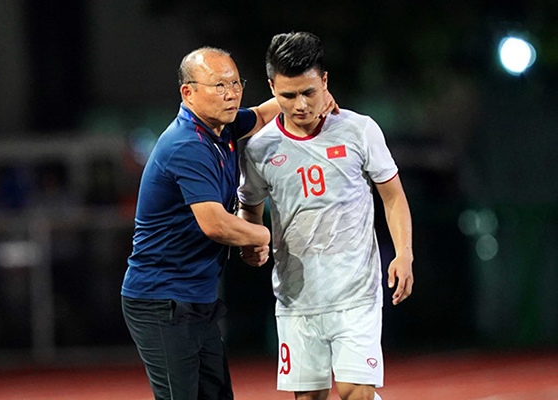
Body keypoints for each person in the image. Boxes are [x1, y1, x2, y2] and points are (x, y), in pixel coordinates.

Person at [121, 46, 337, 400]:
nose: (232, 93)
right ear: (188, 92)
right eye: (219, 85)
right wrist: (264, 235)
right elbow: (215, 224)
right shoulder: (186, 143)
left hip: (196, 297)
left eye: (236, 83)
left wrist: (314, 96)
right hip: (162, 300)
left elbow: (266, 112)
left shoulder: (220, 127)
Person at [237, 32, 414, 400]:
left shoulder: (359, 130)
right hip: (296, 297)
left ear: (325, 82)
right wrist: (251, 238)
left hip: (356, 292)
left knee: (354, 392)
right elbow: (250, 205)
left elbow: (393, 196)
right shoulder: (258, 148)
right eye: (288, 96)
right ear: (272, 89)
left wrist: (404, 253)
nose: (300, 105)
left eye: (309, 92)